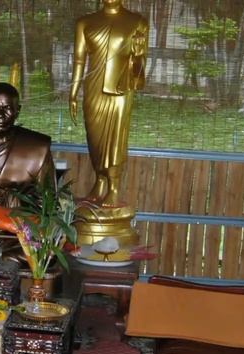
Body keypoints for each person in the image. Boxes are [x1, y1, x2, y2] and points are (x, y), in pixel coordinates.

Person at [69, 0, 148, 207]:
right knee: (95, 138)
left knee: (115, 138)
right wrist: (73, 93)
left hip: (121, 89)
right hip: (93, 89)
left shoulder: (137, 22)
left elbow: (140, 70)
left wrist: (138, 55)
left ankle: (113, 186)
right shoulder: (85, 23)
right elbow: (79, 60)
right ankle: (100, 180)